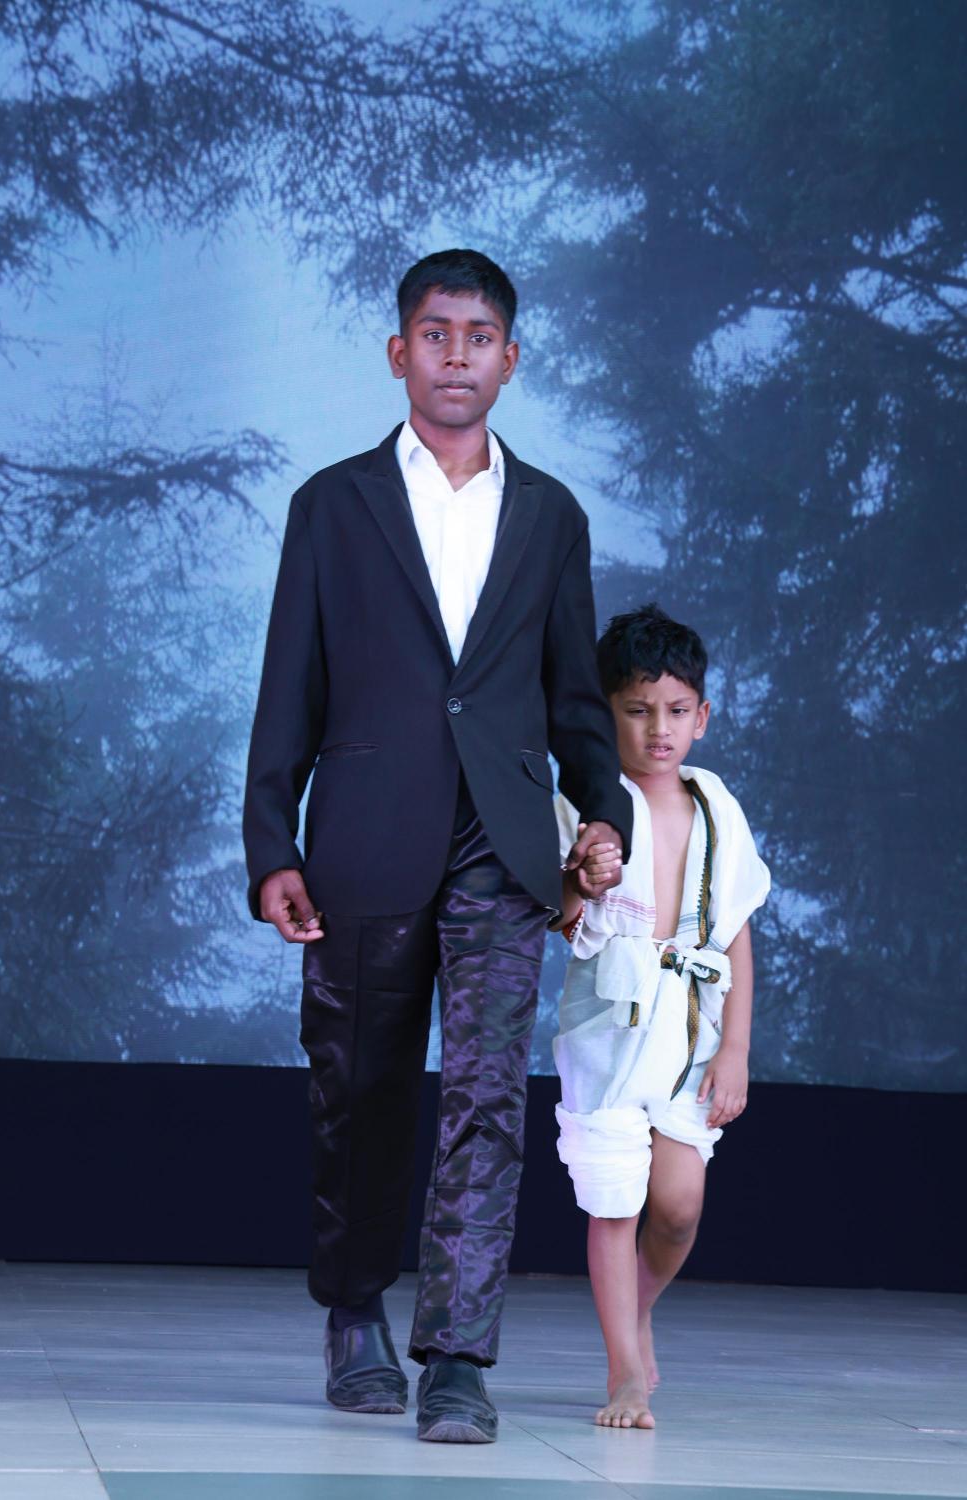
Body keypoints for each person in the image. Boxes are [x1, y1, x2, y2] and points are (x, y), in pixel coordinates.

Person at [242, 249, 632, 1444]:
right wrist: (270, 845)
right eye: (434, 332)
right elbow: (288, 686)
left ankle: (458, 1355)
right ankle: (353, 1310)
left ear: (510, 359)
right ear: (398, 351)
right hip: (363, 836)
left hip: (502, 845)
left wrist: (602, 812)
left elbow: (574, 697)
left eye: (478, 336)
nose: (455, 354)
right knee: (357, 1087)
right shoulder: (333, 504)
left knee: (485, 1100)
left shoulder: (551, 514)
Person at [553, 603, 770, 1431]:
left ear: (702, 717)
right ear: (604, 715)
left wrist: (736, 1047)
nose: (658, 730)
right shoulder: (587, 803)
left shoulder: (715, 805)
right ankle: (625, 1377)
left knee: (677, 1206)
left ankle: (635, 1311)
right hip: (610, 1028)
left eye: (676, 711)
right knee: (616, 1200)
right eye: (637, 711)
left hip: (688, 1033)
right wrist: (582, 881)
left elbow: (734, 931)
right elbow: (561, 917)